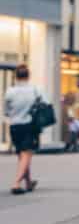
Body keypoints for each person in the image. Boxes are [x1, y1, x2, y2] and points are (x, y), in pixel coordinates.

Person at [4, 64, 44, 194]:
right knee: (27, 154)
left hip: (14, 126)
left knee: (22, 155)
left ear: (16, 76)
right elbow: (44, 105)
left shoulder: (10, 91)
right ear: (28, 76)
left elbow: (6, 111)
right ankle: (16, 184)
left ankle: (28, 182)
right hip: (29, 125)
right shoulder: (34, 90)